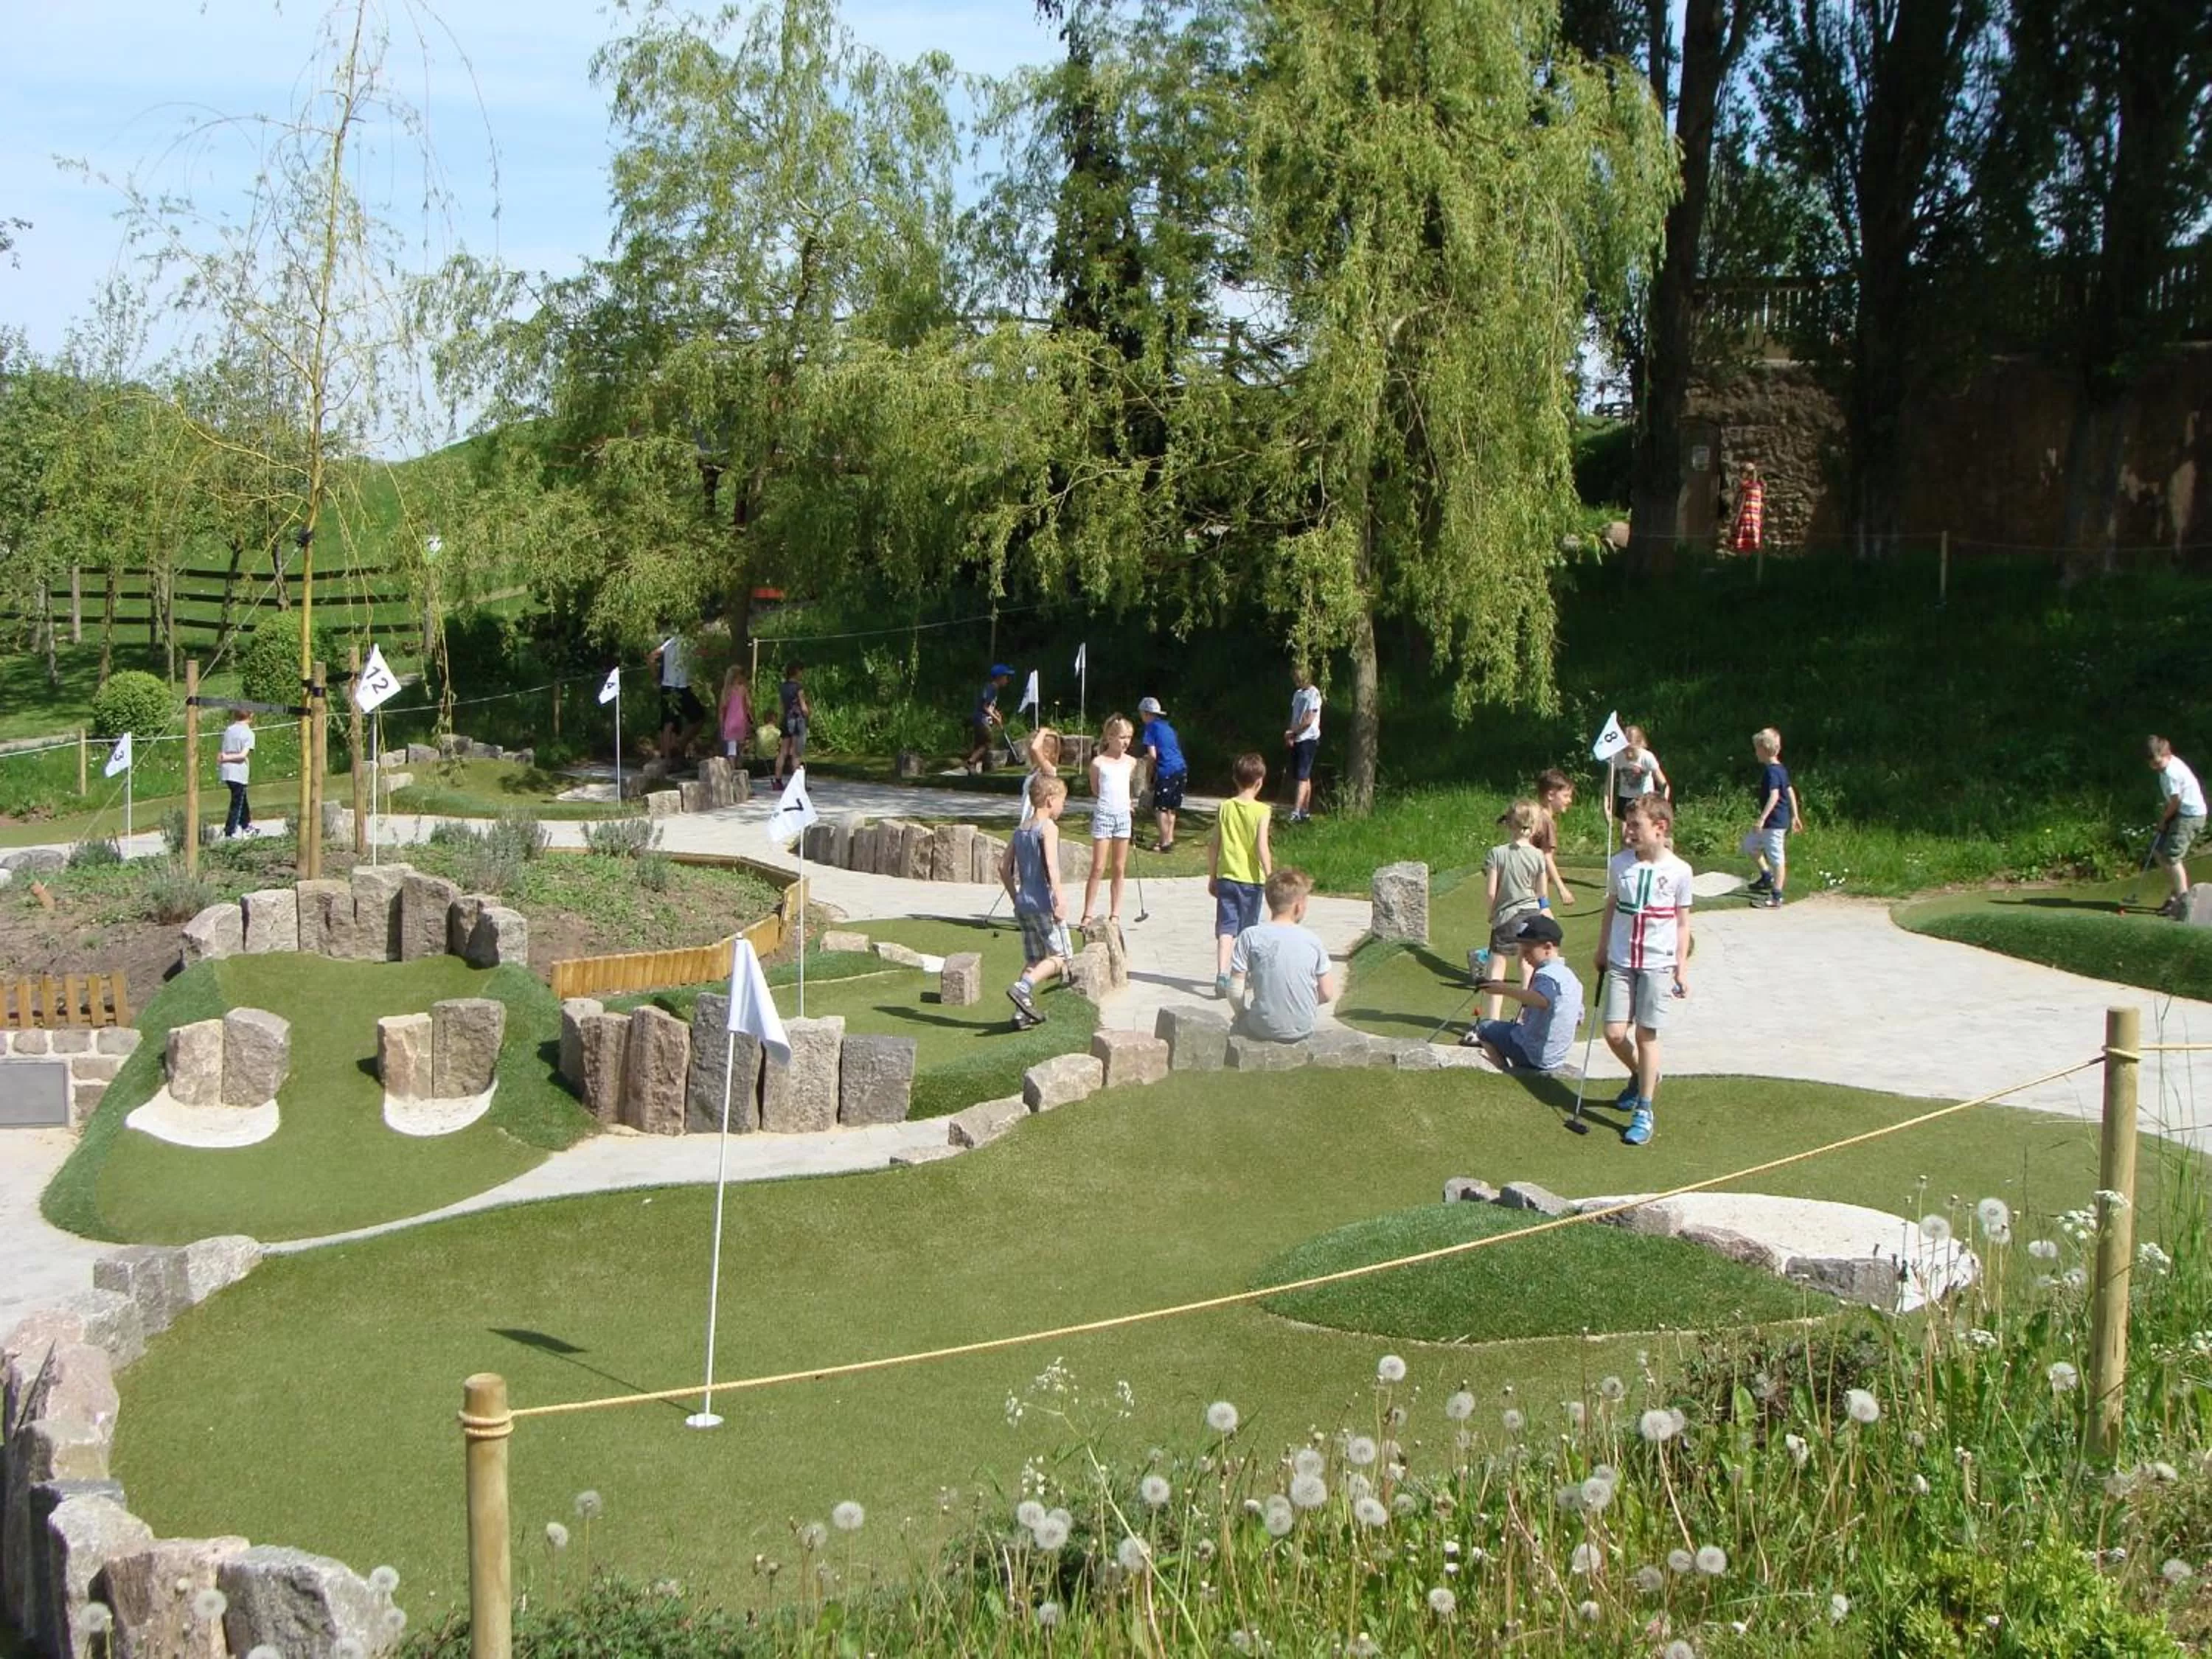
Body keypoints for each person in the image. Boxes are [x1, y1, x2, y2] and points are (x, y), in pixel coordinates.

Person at [1596, 795, 1694, 1147]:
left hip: (1657, 962)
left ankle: (1645, 1108)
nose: (1628, 831)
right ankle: (1643, 1074)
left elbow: (1682, 923)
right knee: (1614, 1033)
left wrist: (1680, 967)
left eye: (1636, 825)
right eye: (1628, 824)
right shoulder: (1619, 864)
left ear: (1660, 827)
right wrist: (1602, 948)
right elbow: (1611, 907)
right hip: (1622, 959)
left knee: (1646, 1035)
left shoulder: (1680, 871)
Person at [1230, 867, 1341, 1043]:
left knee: (1237, 1024)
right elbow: (1327, 993)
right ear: (1299, 906)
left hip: (1262, 1025)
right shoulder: (1312, 940)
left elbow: (1235, 989)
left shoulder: (1250, 936)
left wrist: (1241, 1013)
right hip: (1303, 1026)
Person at [1464, 914, 1585, 1073]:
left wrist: (1503, 990)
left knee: (1483, 1028)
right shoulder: (1570, 978)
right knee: (1514, 1030)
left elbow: (1542, 1000)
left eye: (1528, 951)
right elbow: (1578, 1018)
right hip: (1556, 1056)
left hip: (1533, 1053)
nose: (1523, 956)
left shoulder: (1547, 975)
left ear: (1547, 948)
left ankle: (1506, 1071)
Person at [1002, 773, 1074, 1028]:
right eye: (1062, 801)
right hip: (1044, 903)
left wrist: (1016, 897)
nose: (1063, 807)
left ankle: (1020, 1013)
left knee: (1034, 959)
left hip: (1024, 904)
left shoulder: (1021, 830)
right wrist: (1060, 899)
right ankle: (1023, 987)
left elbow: (1003, 867)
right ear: (1050, 800)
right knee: (1062, 956)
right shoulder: (1048, 828)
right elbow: (1052, 867)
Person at [1479, 801, 1551, 1022]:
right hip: (1531, 914)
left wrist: (1491, 913)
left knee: (1497, 964)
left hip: (1506, 916)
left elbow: (1491, 892)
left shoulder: (1497, 853)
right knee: (1527, 964)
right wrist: (1544, 910)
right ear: (1535, 826)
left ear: (1510, 824)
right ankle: (1523, 1016)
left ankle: (1492, 1019)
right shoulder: (1538, 855)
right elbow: (1542, 892)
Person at [1209, 752, 1273, 998]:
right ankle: (1244, 975)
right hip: (1252, 880)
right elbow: (1261, 846)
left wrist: (1212, 875)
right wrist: (1270, 874)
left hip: (1227, 876)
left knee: (1226, 928)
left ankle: (1222, 975)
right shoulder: (1262, 810)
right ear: (1260, 782)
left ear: (1235, 780)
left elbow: (1214, 844)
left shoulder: (1225, 808)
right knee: (1248, 930)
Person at [1081, 715, 1138, 926]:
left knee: (1119, 867)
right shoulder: (1098, 763)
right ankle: (1088, 913)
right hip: (1104, 814)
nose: (1126, 742)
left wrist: (1128, 804)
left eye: (1129, 737)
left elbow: (1127, 787)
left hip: (1123, 816)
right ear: (1110, 737)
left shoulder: (1131, 762)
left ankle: (1115, 913)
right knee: (1098, 866)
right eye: (1122, 737)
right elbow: (1096, 789)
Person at [2148, 735, 2206, 917]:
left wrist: (2164, 820)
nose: (2156, 767)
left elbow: (2175, 801)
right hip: (2180, 813)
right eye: (2153, 764)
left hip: (2190, 816)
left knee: (2172, 856)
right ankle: (2175, 893)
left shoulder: (2171, 773)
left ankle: (2183, 901)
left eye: (2159, 763)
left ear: (2168, 755)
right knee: (2158, 850)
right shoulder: (2167, 766)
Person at [1746, 726, 1804, 909]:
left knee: (1777, 859)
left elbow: (1775, 795)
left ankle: (1777, 896)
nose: (1756, 753)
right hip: (1774, 822)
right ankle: (1766, 876)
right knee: (1750, 845)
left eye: (1757, 749)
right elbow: (1790, 791)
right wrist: (1795, 815)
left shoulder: (1772, 772)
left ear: (1763, 750)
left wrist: (1762, 819)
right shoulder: (1780, 769)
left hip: (1774, 823)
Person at [1504, 769, 1579, 907]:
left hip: (1522, 879)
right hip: (1534, 883)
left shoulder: (1534, 815)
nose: (1570, 800)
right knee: (1541, 914)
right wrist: (1562, 889)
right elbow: (1546, 857)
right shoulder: (1546, 821)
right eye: (1566, 796)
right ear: (1551, 795)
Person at [1136, 696, 1187, 853]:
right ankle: (1169, 839)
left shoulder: (1150, 728)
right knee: (1171, 807)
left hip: (1166, 769)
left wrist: (1149, 776)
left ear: (1146, 713)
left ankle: (1165, 842)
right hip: (1181, 768)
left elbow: (1152, 755)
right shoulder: (1168, 727)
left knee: (1160, 807)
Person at [649, 628, 705, 762]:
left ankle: (672, 751)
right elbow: (703, 652)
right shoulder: (688, 643)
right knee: (695, 717)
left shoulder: (669, 642)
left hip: (669, 685)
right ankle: (671, 754)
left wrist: (656, 677)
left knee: (669, 722)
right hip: (680, 687)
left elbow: (651, 657)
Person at [1607, 726, 1669, 832]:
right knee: (1626, 834)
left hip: (1644, 800)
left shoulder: (1647, 757)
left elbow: (1664, 784)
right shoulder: (1618, 757)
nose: (1628, 754)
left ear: (1640, 745)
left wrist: (1662, 804)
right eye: (1625, 749)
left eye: (1632, 750)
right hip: (1625, 798)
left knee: (1642, 833)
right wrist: (1606, 805)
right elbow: (1609, 782)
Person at [1284, 667, 1322, 822]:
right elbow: (1295, 716)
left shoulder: (1314, 694)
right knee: (1303, 776)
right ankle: (1305, 811)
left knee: (1302, 775)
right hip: (1298, 738)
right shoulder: (1298, 694)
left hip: (1308, 738)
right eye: (1296, 679)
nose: (1298, 682)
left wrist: (1294, 731)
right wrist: (1291, 734)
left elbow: (1308, 720)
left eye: (1300, 679)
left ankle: (1296, 811)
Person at [967, 664, 1014, 773]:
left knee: (979, 744)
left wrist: (996, 713)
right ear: (999, 678)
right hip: (981, 719)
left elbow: (990, 706)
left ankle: (979, 768)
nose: (1007, 680)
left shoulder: (995, 689)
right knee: (988, 742)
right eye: (1005, 677)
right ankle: (971, 762)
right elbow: (985, 707)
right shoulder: (991, 688)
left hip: (983, 719)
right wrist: (995, 718)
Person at [218, 707, 256, 838]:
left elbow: (223, 750)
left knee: (242, 800)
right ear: (250, 716)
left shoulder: (229, 730)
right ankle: (230, 832)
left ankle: (246, 826)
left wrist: (224, 759)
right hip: (238, 772)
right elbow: (242, 755)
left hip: (227, 771)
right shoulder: (248, 733)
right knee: (237, 804)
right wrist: (227, 758)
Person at [773, 663, 810, 787]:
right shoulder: (798, 687)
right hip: (796, 720)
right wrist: (807, 714)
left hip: (786, 719)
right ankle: (798, 784)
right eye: (801, 671)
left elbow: (781, 705)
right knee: (796, 753)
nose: (802, 674)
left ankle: (778, 781)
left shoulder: (782, 687)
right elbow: (803, 707)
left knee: (783, 751)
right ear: (796, 672)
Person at [1018, 725, 1062, 827]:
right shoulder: (1034, 771)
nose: (1031, 753)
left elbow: (1035, 748)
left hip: (1039, 825)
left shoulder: (1049, 771)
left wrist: (1043, 732)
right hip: (1028, 821)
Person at [718, 664, 754, 764]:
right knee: (740, 747)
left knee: (731, 748)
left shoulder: (726, 691)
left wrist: (722, 725)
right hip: (741, 722)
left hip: (729, 723)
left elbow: (721, 710)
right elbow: (749, 704)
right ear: (739, 676)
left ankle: (732, 768)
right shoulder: (743, 689)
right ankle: (739, 766)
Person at [1730, 459, 1764, 554]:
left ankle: (1743, 561)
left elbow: (1742, 503)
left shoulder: (1746, 487)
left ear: (1746, 473)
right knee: (1751, 545)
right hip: (1755, 520)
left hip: (1745, 519)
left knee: (1741, 545)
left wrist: (1736, 518)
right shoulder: (1759, 487)